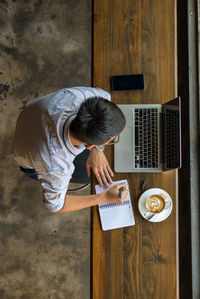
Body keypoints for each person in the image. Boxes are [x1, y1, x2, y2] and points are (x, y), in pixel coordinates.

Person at [13, 86, 129, 213]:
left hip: (29, 117)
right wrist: (105, 197)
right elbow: (55, 206)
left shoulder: (79, 97)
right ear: (89, 146)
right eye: (111, 140)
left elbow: (106, 97)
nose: (113, 139)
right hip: (26, 156)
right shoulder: (57, 167)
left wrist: (98, 149)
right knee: (88, 177)